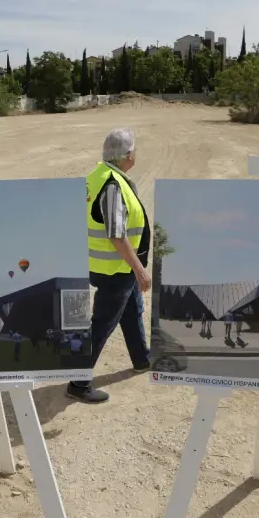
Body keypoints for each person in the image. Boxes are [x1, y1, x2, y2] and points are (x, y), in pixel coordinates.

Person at [67, 128, 152, 404]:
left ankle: (142, 359)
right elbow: (116, 234)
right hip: (115, 269)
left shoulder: (98, 175)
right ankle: (78, 382)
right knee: (103, 323)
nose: (136, 154)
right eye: (135, 150)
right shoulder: (113, 185)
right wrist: (140, 269)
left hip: (111, 267)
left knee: (132, 310)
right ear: (128, 155)